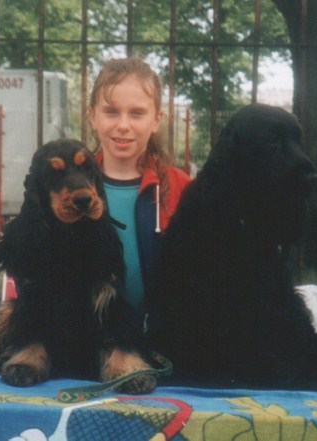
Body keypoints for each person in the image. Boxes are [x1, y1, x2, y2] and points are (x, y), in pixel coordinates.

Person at [88, 57, 191, 319]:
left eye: (137, 113)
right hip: (88, 334)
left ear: (156, 120)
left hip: (163, 334)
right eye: (111, 111)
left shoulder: (182, 189)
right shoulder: (72, 190)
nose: (123, 125)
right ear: (92, 117)